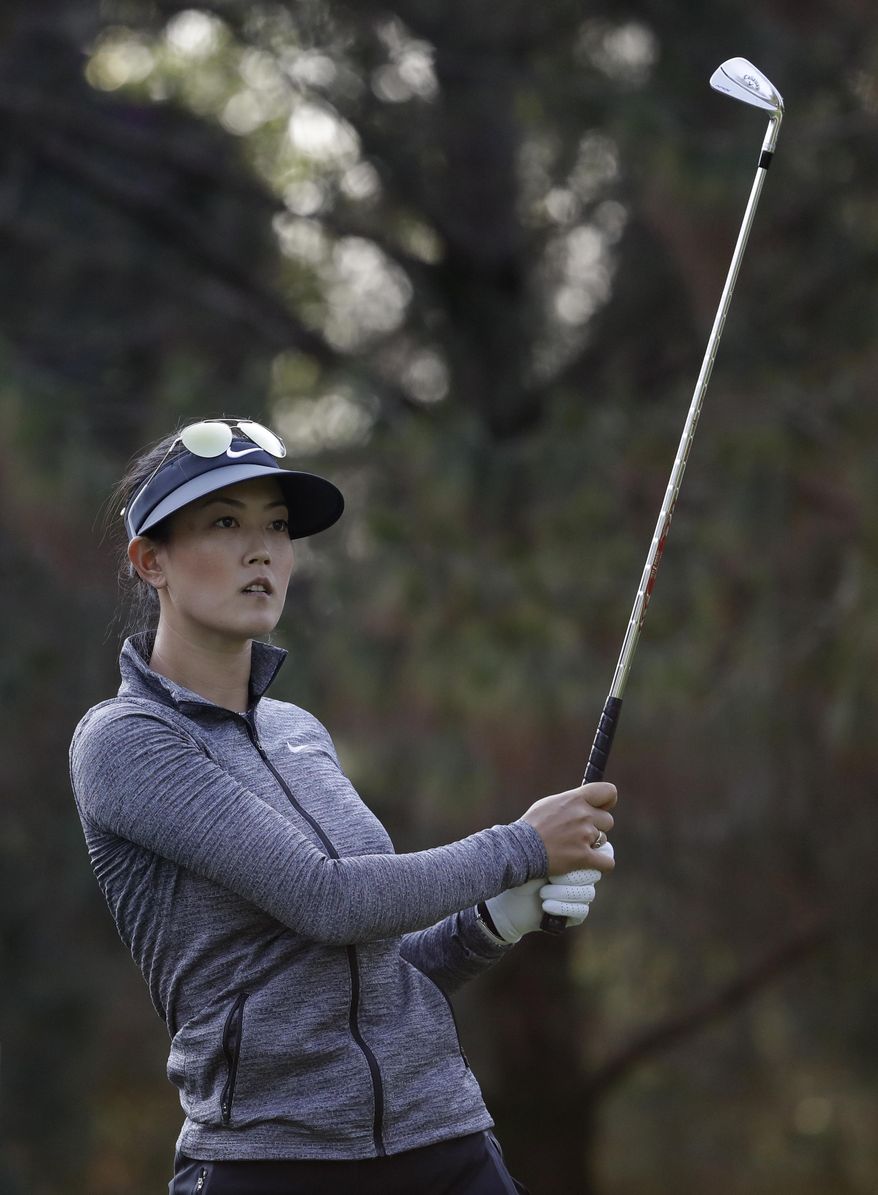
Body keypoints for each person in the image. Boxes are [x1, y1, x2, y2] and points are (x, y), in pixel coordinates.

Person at [69, 417, 617, 1195]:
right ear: (148, 559)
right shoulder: (124, 742)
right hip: (271, 1163)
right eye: (225, 522)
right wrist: (522, 845)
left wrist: (496, 918)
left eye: (277, 527)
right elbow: (329, 900)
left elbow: (377, 975)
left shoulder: (299, 731)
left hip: (445, 1141)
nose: (261, 550)